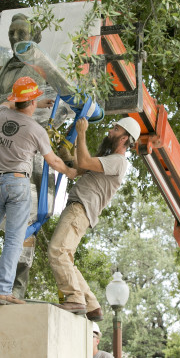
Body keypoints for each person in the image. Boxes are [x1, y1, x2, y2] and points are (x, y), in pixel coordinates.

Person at [0, 77, 77, 306]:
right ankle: (3, 291)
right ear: (32, 101)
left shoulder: (1, 116)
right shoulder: (36, 130)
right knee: (14, 241)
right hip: (18, 185)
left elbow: (9, 104)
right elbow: (54, 161)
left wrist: (32, 101)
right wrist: (69, 171)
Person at [48, 117, 141, 320]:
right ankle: (91, 305)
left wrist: (81, 133)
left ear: (125, 137)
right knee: (66, 257)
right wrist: (64, 150)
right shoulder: (108, 159)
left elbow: (84, 162)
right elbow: (77, 167)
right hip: (79, 210)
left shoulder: (118, 161)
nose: (110, 131)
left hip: (80, 210)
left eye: (115, 129)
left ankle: (75, 298)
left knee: (58, 251)